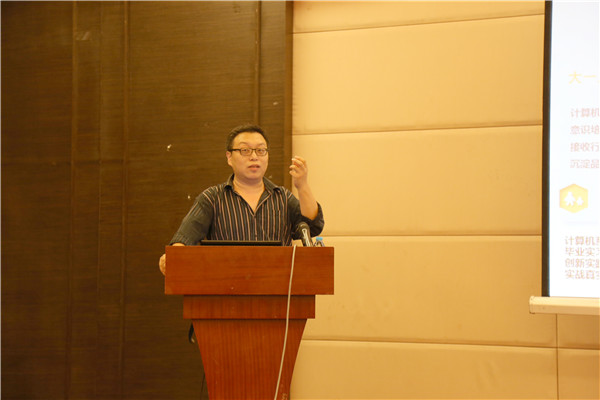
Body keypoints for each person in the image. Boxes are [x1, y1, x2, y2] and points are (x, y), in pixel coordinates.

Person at [158, 124, 324, 275]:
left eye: (261, 150)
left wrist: (302, 186)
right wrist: (173, 257)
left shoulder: (283, 197)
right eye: (245, 150)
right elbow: (185, 238)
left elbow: (312, 226)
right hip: (225, 289)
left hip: (277, 288)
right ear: (229, 157)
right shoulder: (212, 198)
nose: (254, 157)